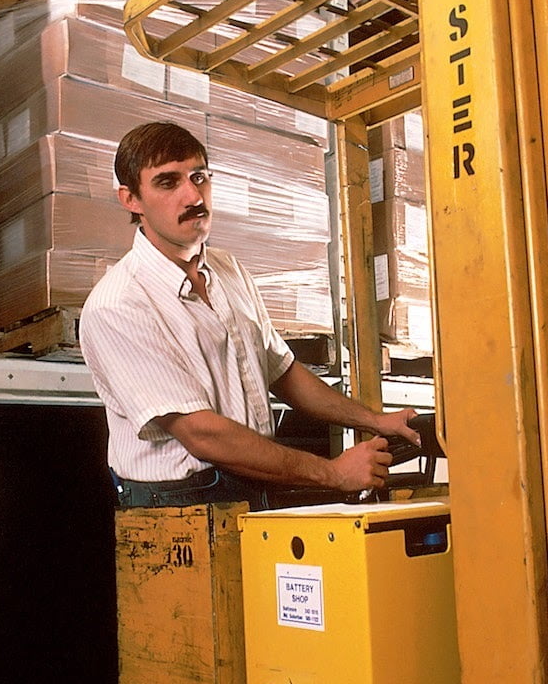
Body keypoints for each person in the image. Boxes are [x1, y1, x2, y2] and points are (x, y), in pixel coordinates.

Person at [81, 120, 420, 509]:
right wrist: (334, 473)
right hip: (178, 503)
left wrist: (375, 421)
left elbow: (283, 371)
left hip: (253, 480)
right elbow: (201, 435)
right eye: (168, 182)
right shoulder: (119, 304)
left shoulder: (229, 270)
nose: (193, 195)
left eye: (199, 177)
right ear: (131, 199)